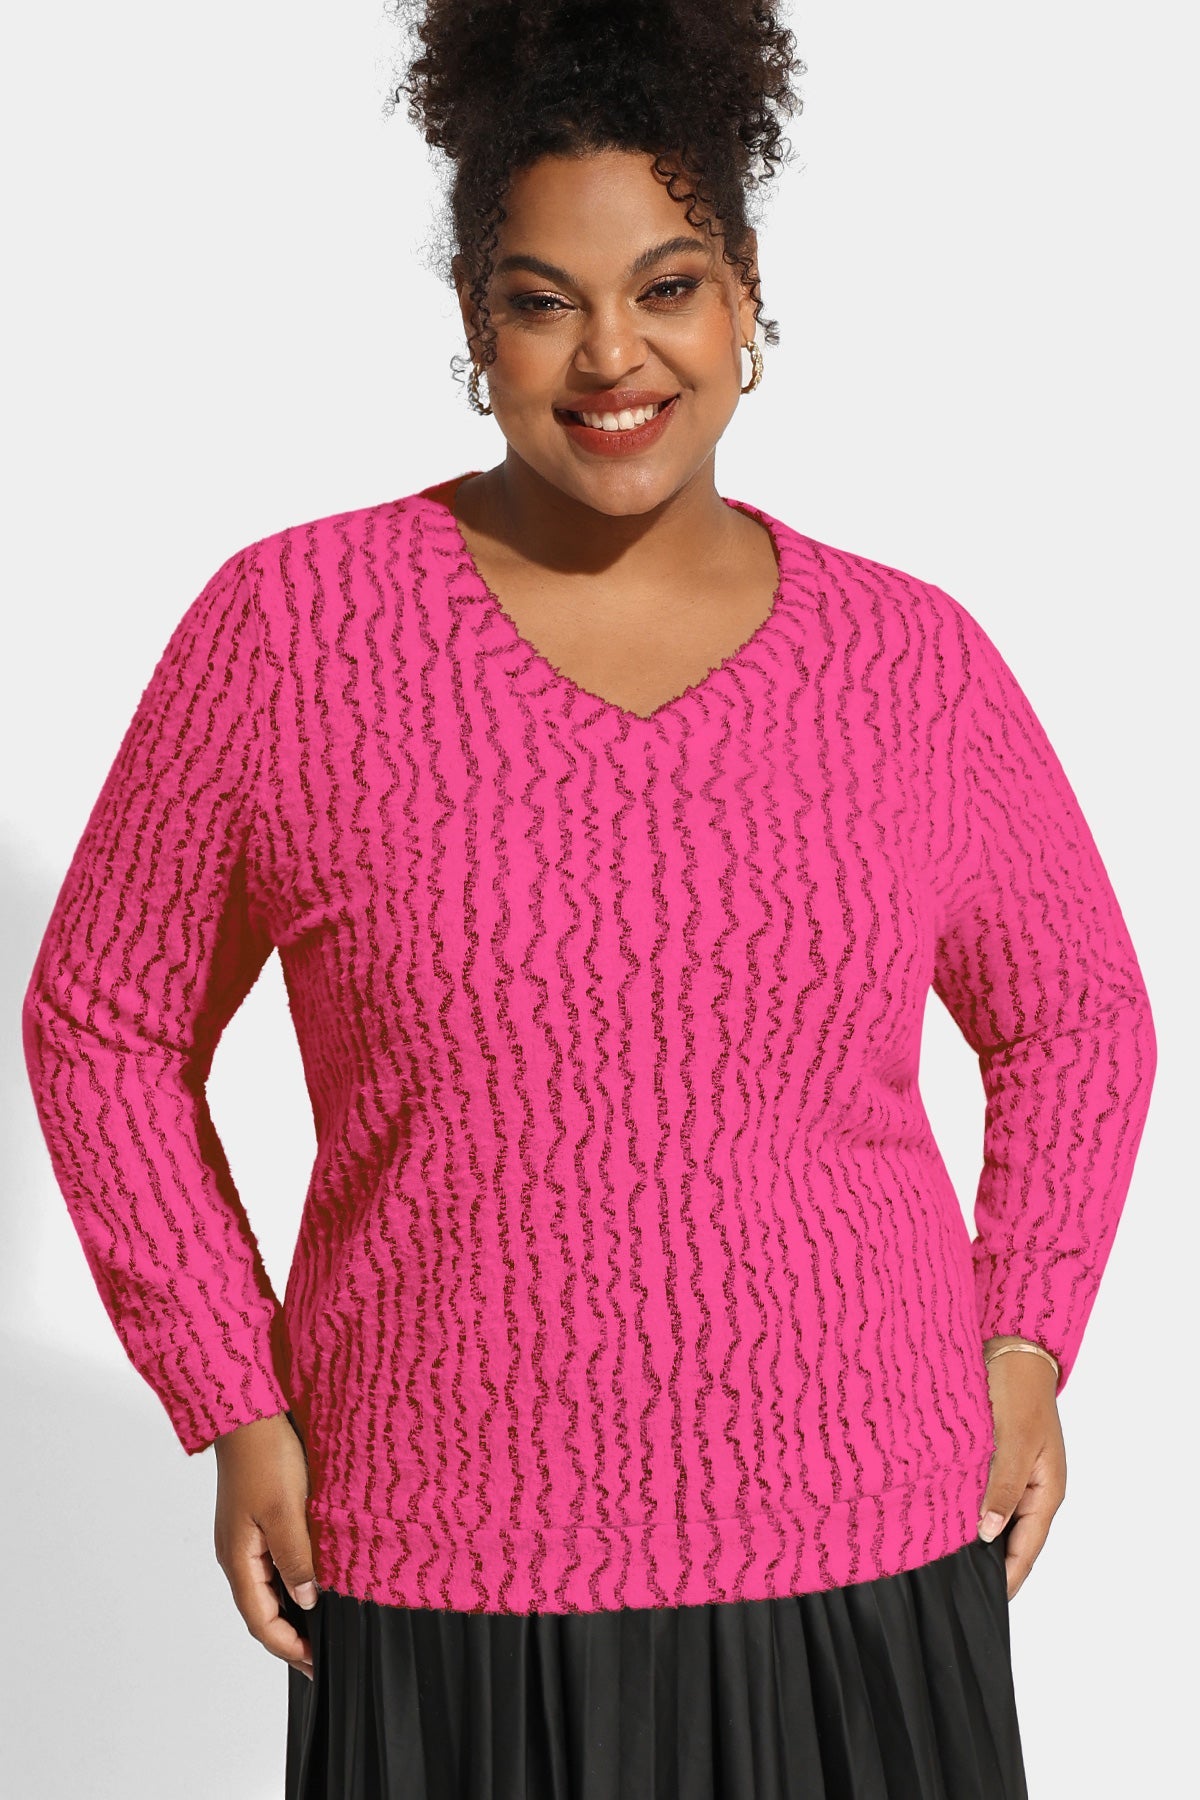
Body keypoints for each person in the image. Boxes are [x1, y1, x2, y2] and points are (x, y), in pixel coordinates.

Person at [21, 2, 1157, 1796]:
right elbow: (101, 1023)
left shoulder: (909, 662)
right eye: (544, 299)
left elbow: (1076, 1013)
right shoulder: (292, 636)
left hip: (866, 1538)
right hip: (438, 1553)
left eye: (670, 287)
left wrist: (1025, 1331)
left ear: (749, 297)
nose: (612, 355)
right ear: (473, 319)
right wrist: (229, 1398)